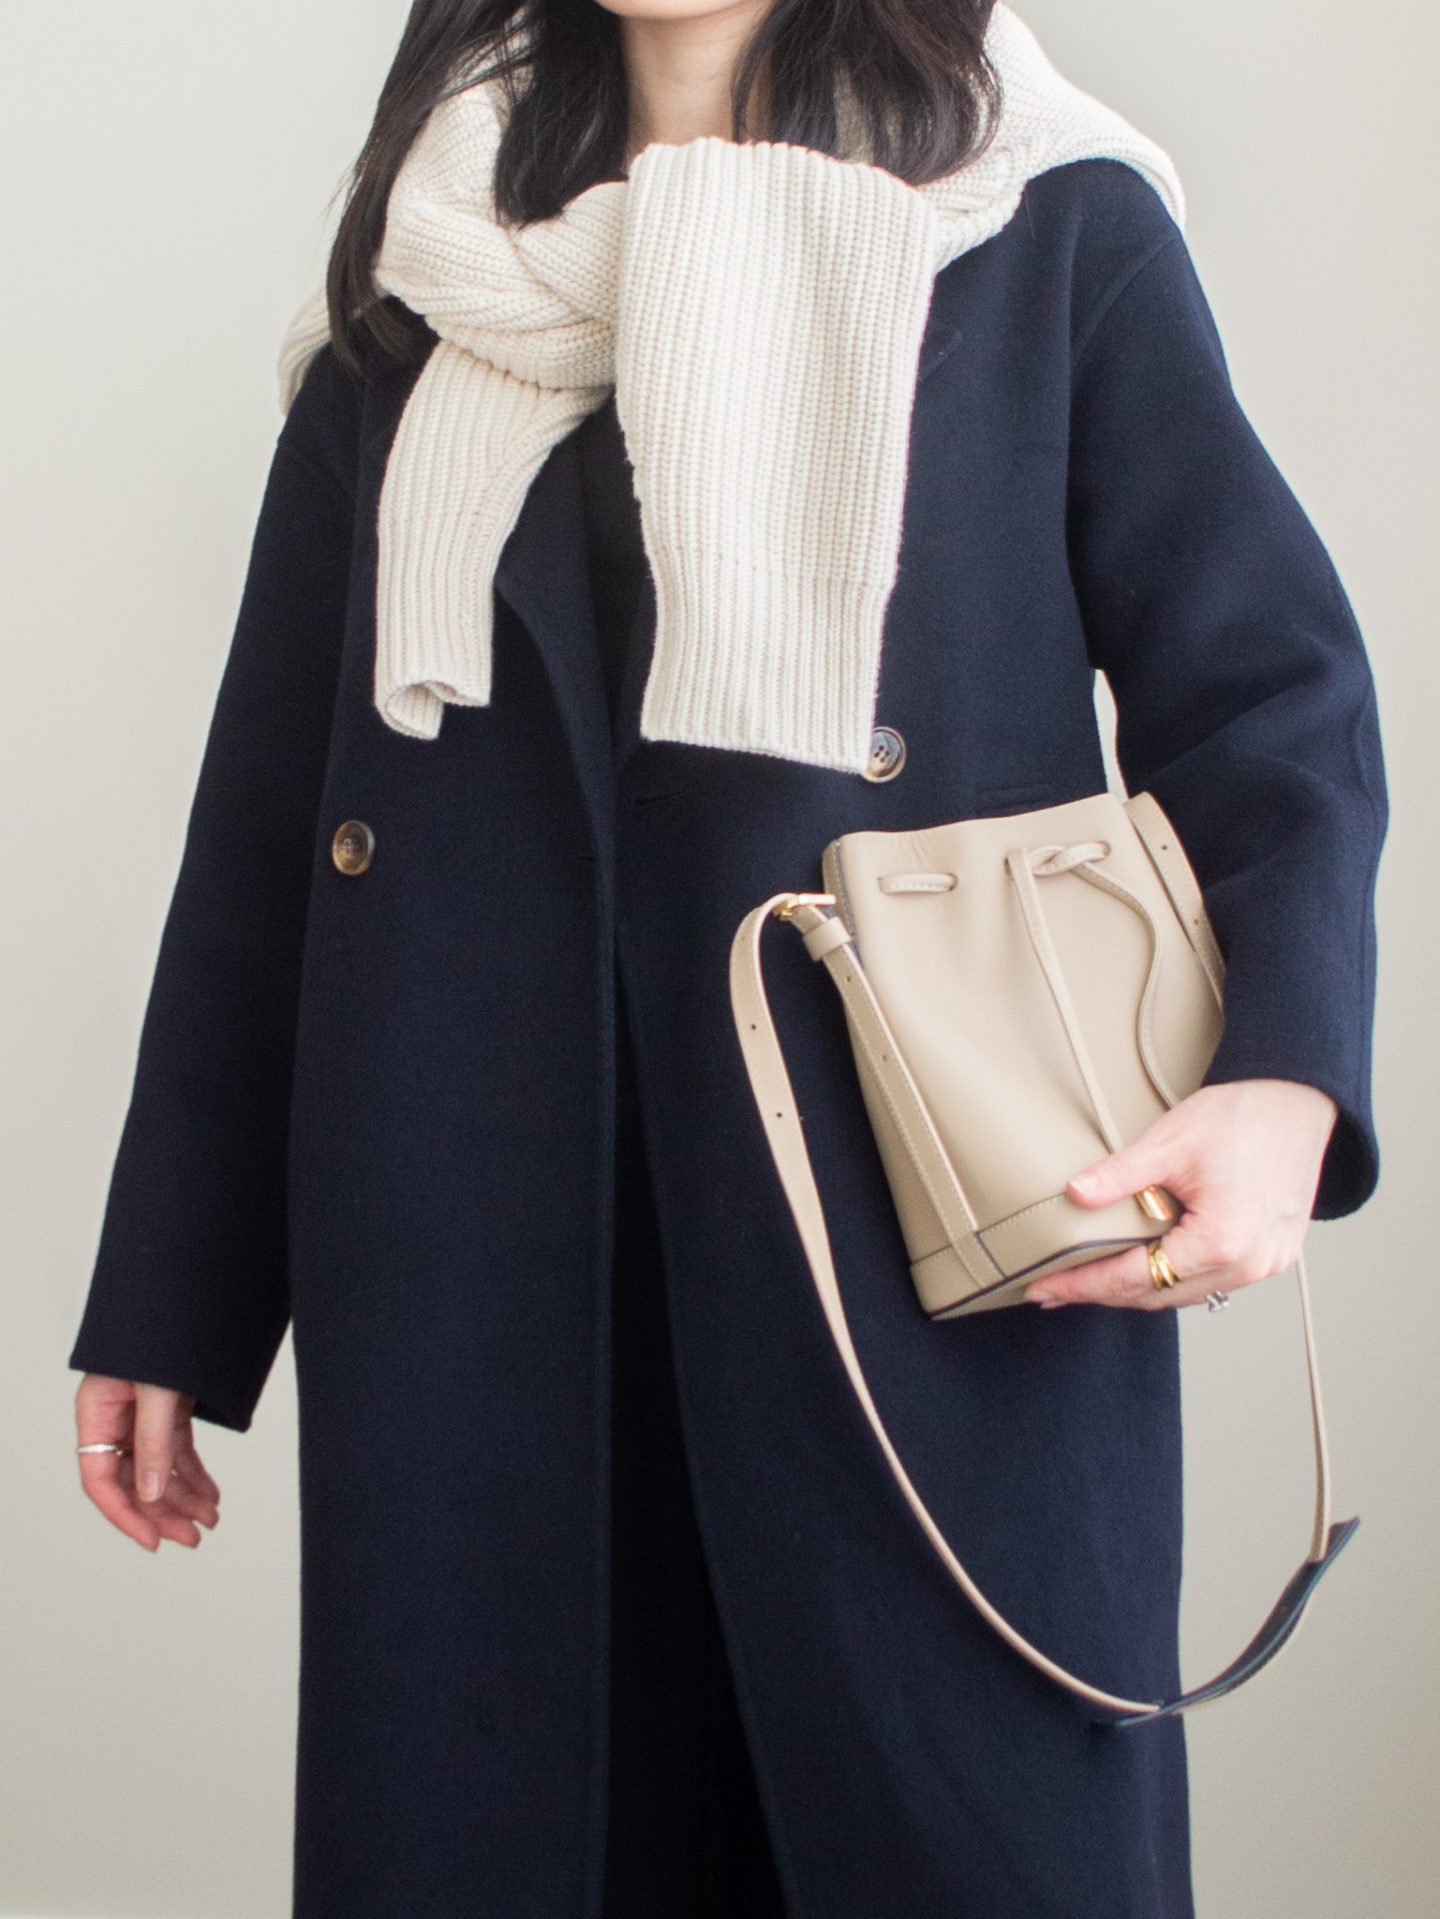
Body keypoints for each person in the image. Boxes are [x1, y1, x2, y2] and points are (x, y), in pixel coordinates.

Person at [66, 0, 1386, 1913]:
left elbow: (1271, 701)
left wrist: (1283, 1080)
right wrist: (172, 1298)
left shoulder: (1041, 229)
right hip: (488, 1251)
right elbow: (280, 821)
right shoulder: (422, 297)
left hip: (899, 1246)